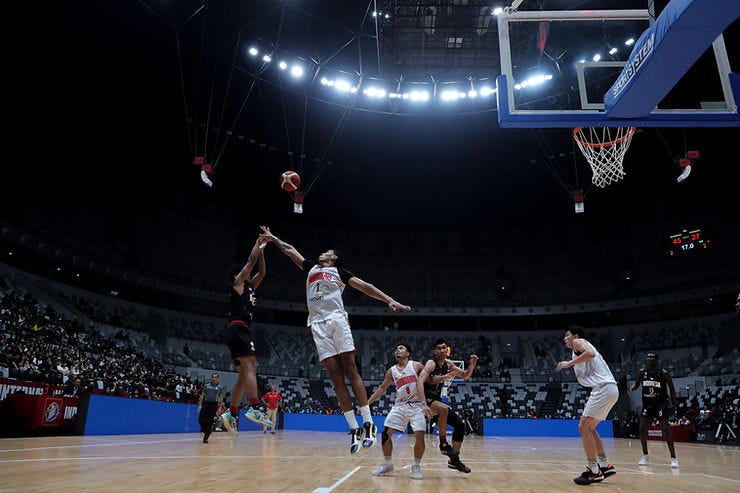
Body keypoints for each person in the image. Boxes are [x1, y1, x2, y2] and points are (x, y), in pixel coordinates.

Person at [259, 226, 411, 454]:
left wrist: (389, 300)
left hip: (336, 320)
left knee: (351, 370)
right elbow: (291, 251)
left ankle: (368, 423)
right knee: (334, 375)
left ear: (334, 257)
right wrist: (274, 239)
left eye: (327, 252)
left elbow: (366, 287)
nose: (322, 253)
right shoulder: (311, 268)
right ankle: (354, 429)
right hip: (317, 324)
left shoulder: (341, 272)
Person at [220, 237, 272, 436]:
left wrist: (263, 252)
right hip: (238, 327)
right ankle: (255, 407)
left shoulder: (250, 287)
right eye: (244, 270)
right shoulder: (238, 283)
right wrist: (258, 245)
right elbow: (250, 263)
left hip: (239, 329)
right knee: (251, 366)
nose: (248, 272)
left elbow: (263, 272)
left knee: (243, 374)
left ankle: (231, 413)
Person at [556, 326, 619, 486]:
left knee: (583, 428)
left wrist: (568, 364)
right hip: (609, 388)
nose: (565, 338)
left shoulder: (578, 342)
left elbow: (590, 354)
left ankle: (593, 471)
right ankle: (605, 466)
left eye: (567, 335)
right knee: (589, 429)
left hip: (603, 388)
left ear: (575, 336)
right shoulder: (579, 347)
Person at [367, 343, 432, 479]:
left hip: (417, 405)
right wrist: (367, 403)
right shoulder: (392, 371)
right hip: (400, 405)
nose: (397, 350)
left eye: (401, 348)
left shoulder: (416, 366)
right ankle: (388, 464)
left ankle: (416, 466)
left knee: (420, 435)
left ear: (408, 353)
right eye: (396, 349)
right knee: (385, 434)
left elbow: (430, 380)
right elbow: (382, 388)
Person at [418, 338, 477, 473]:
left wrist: (471, 367)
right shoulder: (430, 364)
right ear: (435, 351)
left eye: (444, 347)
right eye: (439, 348)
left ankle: (454, 460)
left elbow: (465, 376)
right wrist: (423, 404)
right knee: (443, 408)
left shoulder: (448, 364)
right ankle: (443, 443)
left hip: (436, 400)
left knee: (460, 425)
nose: (442, 350)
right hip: (425, 399)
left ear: (447, 349)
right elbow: (422, 382)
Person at [629, 352, 679, 468]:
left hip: (660, 403)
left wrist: (673, 406)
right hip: (647, 404)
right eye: (648, 357)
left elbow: (671, 389)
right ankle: (645, 455)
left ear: (657, 360)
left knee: (665, 428)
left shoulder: (663, 373)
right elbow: (637, 384)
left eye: (652, 357)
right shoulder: (642, 372)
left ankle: (673, 458)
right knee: (641, 428)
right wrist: (632, 388)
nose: (649, 358)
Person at [198, 373, 225, 443]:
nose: (214, 379)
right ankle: (205, 430)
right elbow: (202, 395)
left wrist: (220, 407)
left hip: (213, 405)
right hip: (206, 404)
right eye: (213, 377)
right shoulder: (206, 386)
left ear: (217, 379)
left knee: (210, 421)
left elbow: (221, 398)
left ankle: (205, 438)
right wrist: (200, 405)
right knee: (200, 419)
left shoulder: (220, 387)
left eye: (215, 377)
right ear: (211, 378)